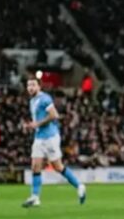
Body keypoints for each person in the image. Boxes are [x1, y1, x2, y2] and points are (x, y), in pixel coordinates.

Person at [21, 79, 86, 208]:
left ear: (39, 86)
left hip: (50, 137)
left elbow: (54, 115)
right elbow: (38, 120)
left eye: (33, 85)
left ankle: (80, 186)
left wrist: (37, 124)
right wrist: (30, 126)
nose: (30, 87)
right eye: (28, 85)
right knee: (35, 166)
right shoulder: (32, 101)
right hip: (39, 137)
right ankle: (35, 197)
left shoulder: (45, 98)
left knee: (58, 167)